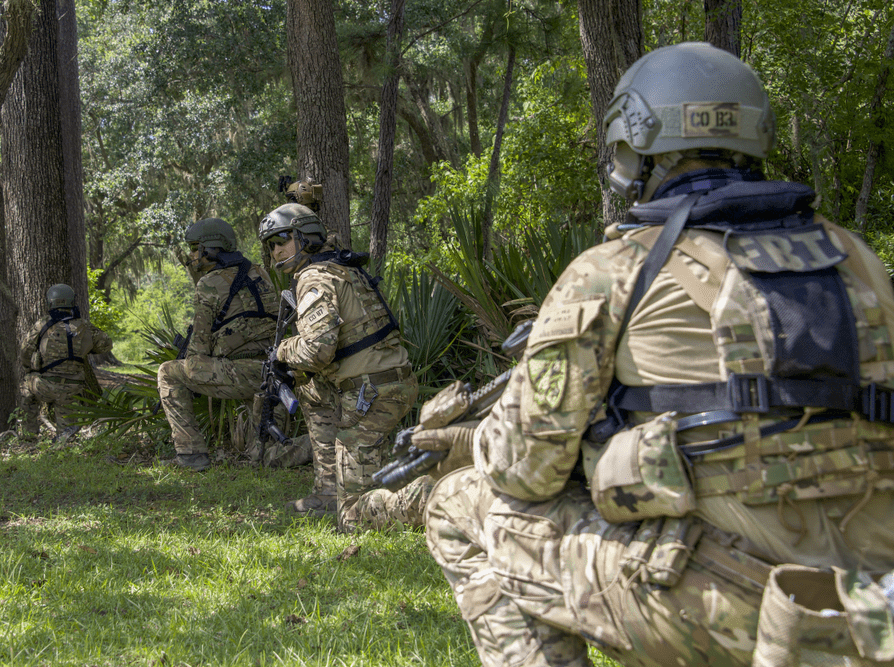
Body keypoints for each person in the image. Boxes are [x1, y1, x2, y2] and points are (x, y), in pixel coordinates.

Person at [422, 42, 894, 667]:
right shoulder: (857, 258)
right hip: (871, 605)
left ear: (633, 142)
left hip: (737, 606)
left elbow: (522, 471)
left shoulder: (617, 268)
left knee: (457, 505)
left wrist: (477, 443)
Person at [259, 203, 419, 531]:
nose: (276, 251)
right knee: (309, 388)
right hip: (389, 382)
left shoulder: (314, 277)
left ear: (304, 237)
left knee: (353, 519)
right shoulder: (341, 266)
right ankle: (329, 491)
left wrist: (283, 351)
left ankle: (433, 498)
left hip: (372, 393)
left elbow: (317, 351)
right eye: (271, 245)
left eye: (282, 240)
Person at [158, 218, 279, 471]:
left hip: (240, 374)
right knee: (266, 454)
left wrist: (192, 372)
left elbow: (197, 350)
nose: (191, 254)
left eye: (194, 247)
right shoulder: (259, 272)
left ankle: (191, 455)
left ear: (211, 248)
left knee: (169, 373)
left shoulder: (208, 284)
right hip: (272, 372)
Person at [18, 283, 113, 442]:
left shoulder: (42, 324)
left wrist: (30, 369)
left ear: (50, 302)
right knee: (65, 434)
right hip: (72, 388)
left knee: (27, 384)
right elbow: (106, 344)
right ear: (72, 302)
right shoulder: (83, 325)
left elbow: (25, 350)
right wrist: (85, 348)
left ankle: (29, 435)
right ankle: (63, 439)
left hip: (45, 386)